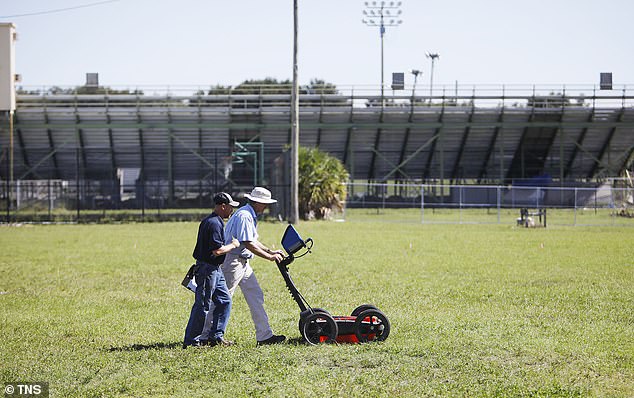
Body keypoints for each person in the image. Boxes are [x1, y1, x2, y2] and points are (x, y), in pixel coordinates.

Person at [222, 187, 286, 345]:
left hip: (242, 262)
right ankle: (207, 336)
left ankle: (264, 336)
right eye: (264, 203)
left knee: (256, 296)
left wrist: (270, 250)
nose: (265, 207)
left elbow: (252, 240)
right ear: (256, 202)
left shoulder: (249, 214)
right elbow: (248, 243)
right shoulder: (245, 216)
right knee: (223, 298)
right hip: (232, 261)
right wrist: (270, 257)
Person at [183, 192, 240, 349]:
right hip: (208, 269)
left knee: (224, 300)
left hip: (215, 269)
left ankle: (216, 336)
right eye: (230, 207)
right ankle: (191, 341)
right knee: (203, 305)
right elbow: (217, 251)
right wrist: (234, 245)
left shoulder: (213, 221)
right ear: (223, 206)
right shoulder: (214, 223)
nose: (231, 210)